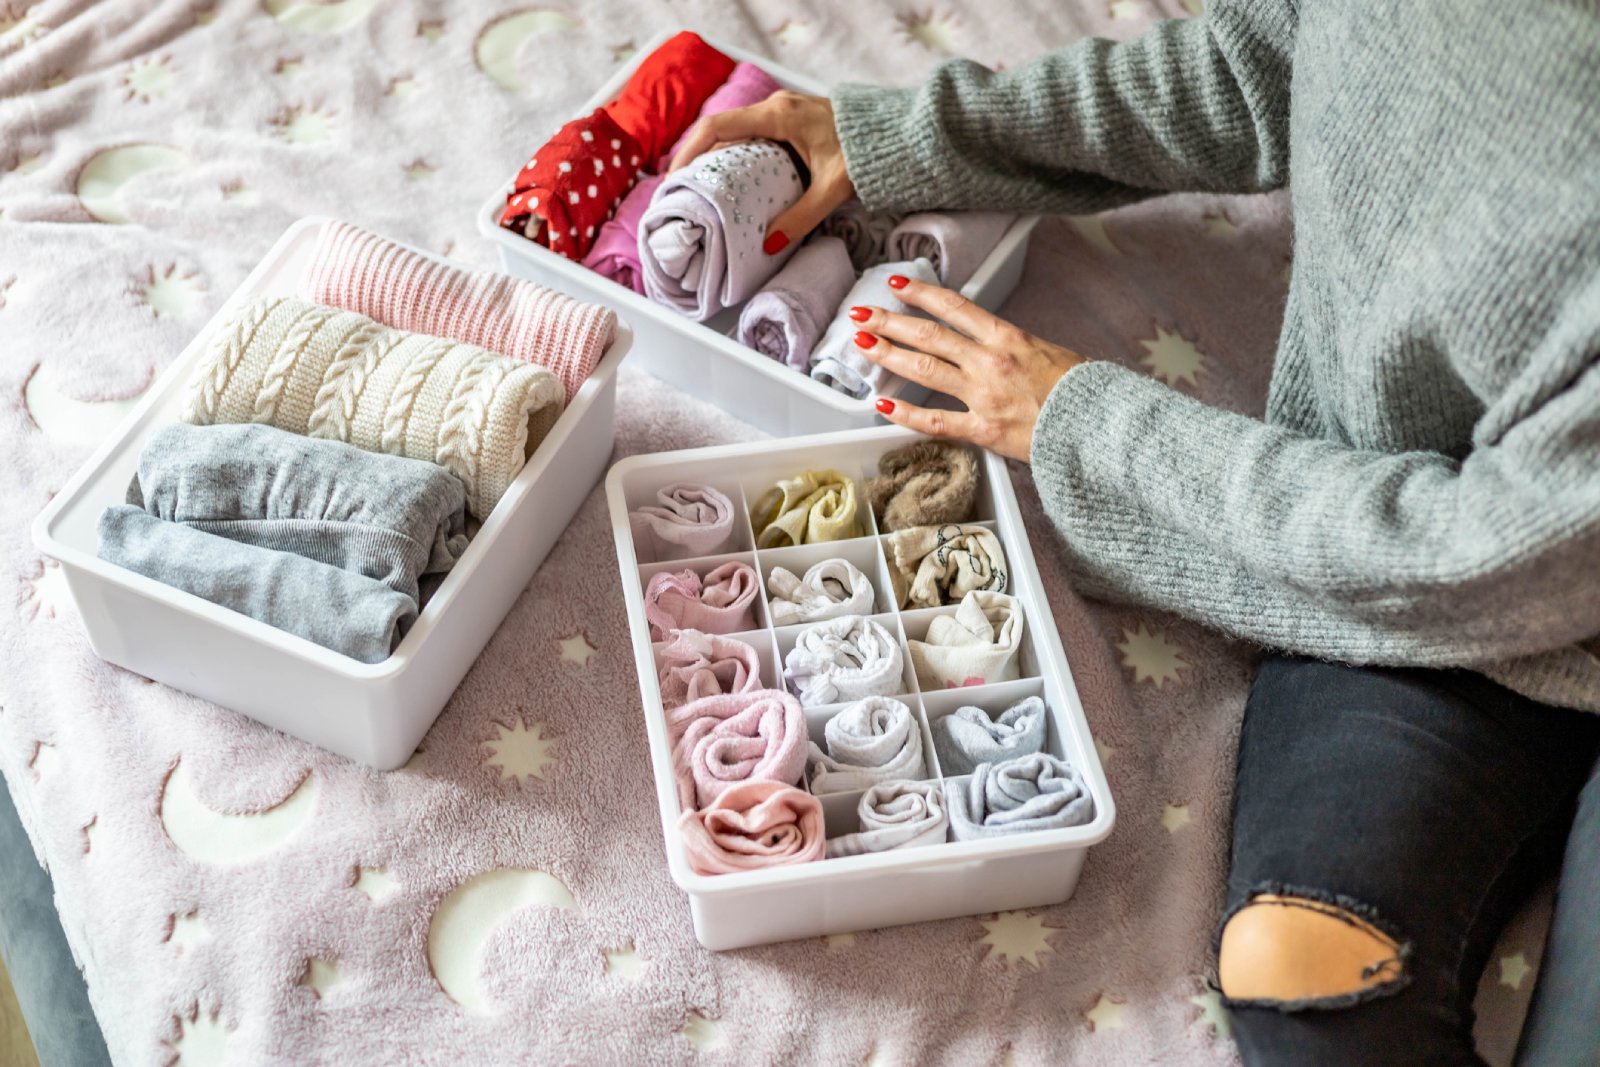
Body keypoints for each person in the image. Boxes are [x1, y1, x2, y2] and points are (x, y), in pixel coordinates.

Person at [671, 2, 1600, 1064]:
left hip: (1464, 566)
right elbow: (1261, 62)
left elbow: (1469, 558)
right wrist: (911, 137)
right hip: (1402, 573)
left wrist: (1091, 426)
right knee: (1303, 985)